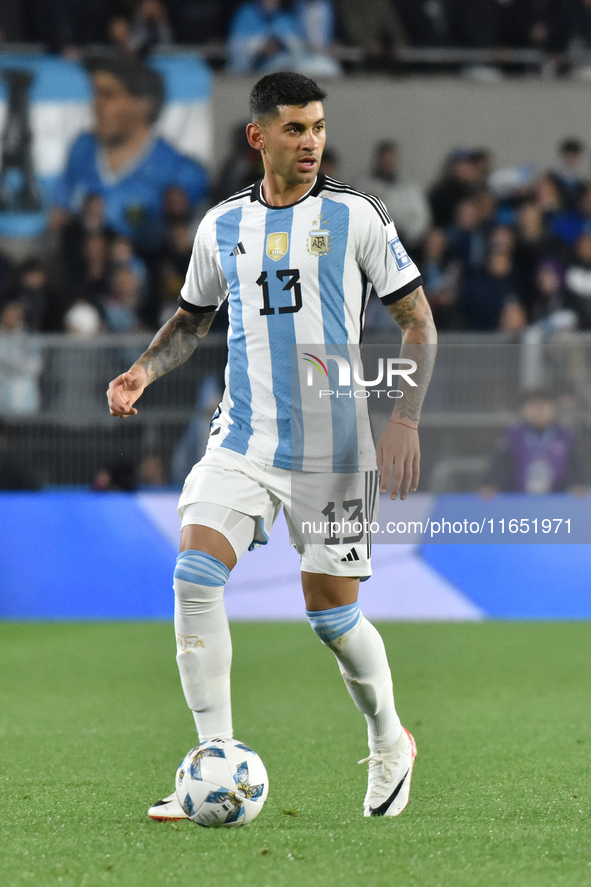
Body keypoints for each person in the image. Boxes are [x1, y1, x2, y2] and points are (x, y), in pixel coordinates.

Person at [107, 71, 437, 820]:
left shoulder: (355, 216)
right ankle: (211, 758)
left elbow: (418, 321)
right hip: (243, 438)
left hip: (336, 449)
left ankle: (390, 737)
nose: (311, 140)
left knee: (331, 617)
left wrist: (405, 419)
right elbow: (191, 321)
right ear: (257, 137)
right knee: (194, 571)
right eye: (294, 128)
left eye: (317, 126)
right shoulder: (221, 226)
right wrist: (141, 371)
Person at [51, 55, 208, 256]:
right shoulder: (82, 150)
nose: (97, 105)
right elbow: (58, 217)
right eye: (96, 94)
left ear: (143, 104)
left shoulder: (181, 172)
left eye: (109, 95)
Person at [480, 390, 586, 497]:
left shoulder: (564, 435)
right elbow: (499, 464)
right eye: (532, 407)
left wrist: (578, 485)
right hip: (518, 499)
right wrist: (491, 484)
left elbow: (574, 464)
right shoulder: (513, 435)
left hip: (555, 499)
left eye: (543, 407)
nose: (538, 412)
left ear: (553, 409)